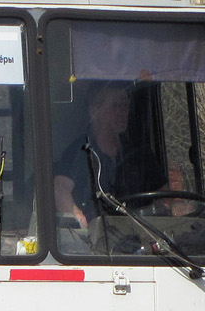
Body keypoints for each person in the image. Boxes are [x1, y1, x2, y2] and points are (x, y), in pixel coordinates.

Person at [54, 80, 167, 227]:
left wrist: (167, 211)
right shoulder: (80, 151)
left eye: (125, 106)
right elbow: (59, 188)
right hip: (96, 240)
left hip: (140, 237)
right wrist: (78, 217)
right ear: (94, 110)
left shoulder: (139, 152)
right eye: (116, 106)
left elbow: (164, 193)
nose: (122, 113)